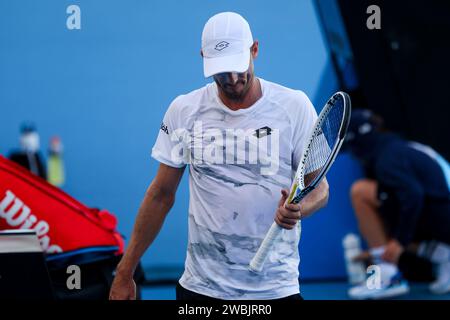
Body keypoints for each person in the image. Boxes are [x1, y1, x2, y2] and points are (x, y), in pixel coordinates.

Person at [109, 12, 329, 300]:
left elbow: (320, 190)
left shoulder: (295, 107)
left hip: (276, 290)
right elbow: (161, 195)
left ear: (255, 50)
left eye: (239, 67)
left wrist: (301, 209)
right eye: (223, 71)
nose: (234, 79)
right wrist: (125, 273)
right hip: (200, 291)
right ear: (203, 58)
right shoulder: (183, 110)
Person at [345, 109, 450, 299]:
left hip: (440, 222)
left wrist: (399, 241)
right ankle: (443, 254)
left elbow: (413, 195)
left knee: (360, 191)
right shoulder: (398, 148)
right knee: (388, 215)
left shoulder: (387, 158)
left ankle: (386, 276)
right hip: (441, 222)